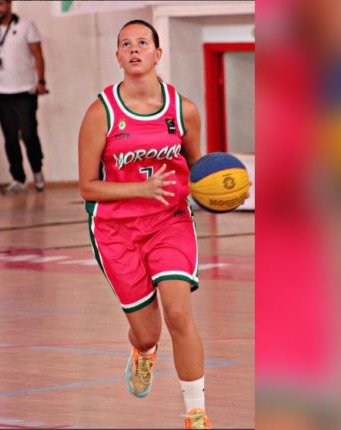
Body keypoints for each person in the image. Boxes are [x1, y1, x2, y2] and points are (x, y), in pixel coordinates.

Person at [77, 19, 211, 429]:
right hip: (115, 230)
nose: (134, 49)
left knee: (178, 313)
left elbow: (198, 170)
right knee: (149, 331)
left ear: (158, 53)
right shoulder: (101, 113)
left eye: (142, 42)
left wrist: (222, 193)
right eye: (125, 44)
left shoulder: (183, 110)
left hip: (170, 221)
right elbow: (87, 186)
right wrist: (141, 189)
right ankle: (143, 351)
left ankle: (196, 414)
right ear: (117, 56)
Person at [0, 0, 48, 193]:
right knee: (10, 137)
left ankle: (37, 172)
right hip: (0, 92)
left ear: (9, 4)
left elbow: (38, 55)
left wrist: (41, 81)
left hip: (25, 91)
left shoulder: (26, 26)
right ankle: (18, 179)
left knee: (28, 134)